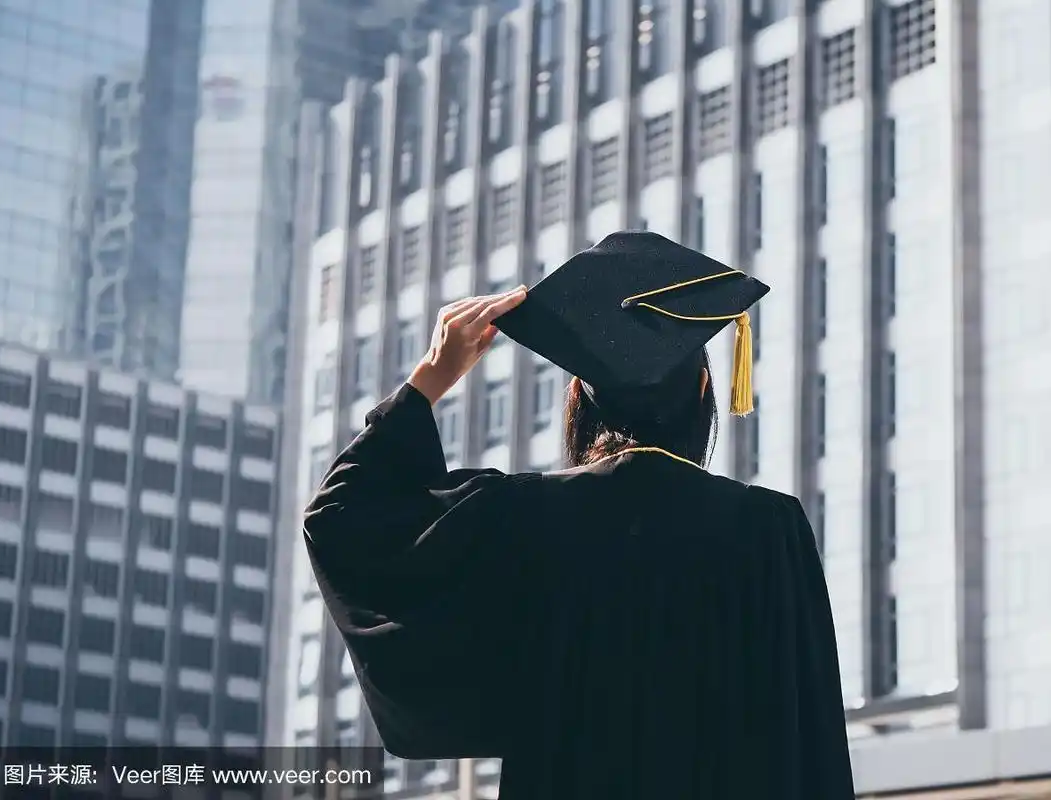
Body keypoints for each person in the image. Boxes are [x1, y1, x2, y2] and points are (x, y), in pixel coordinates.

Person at [304, 231, 855, 799]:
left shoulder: (521, 517)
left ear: (579, 400)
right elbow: (810, 737)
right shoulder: (769, 530)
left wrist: (431, 377)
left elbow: (339, 516)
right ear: (704, 389)